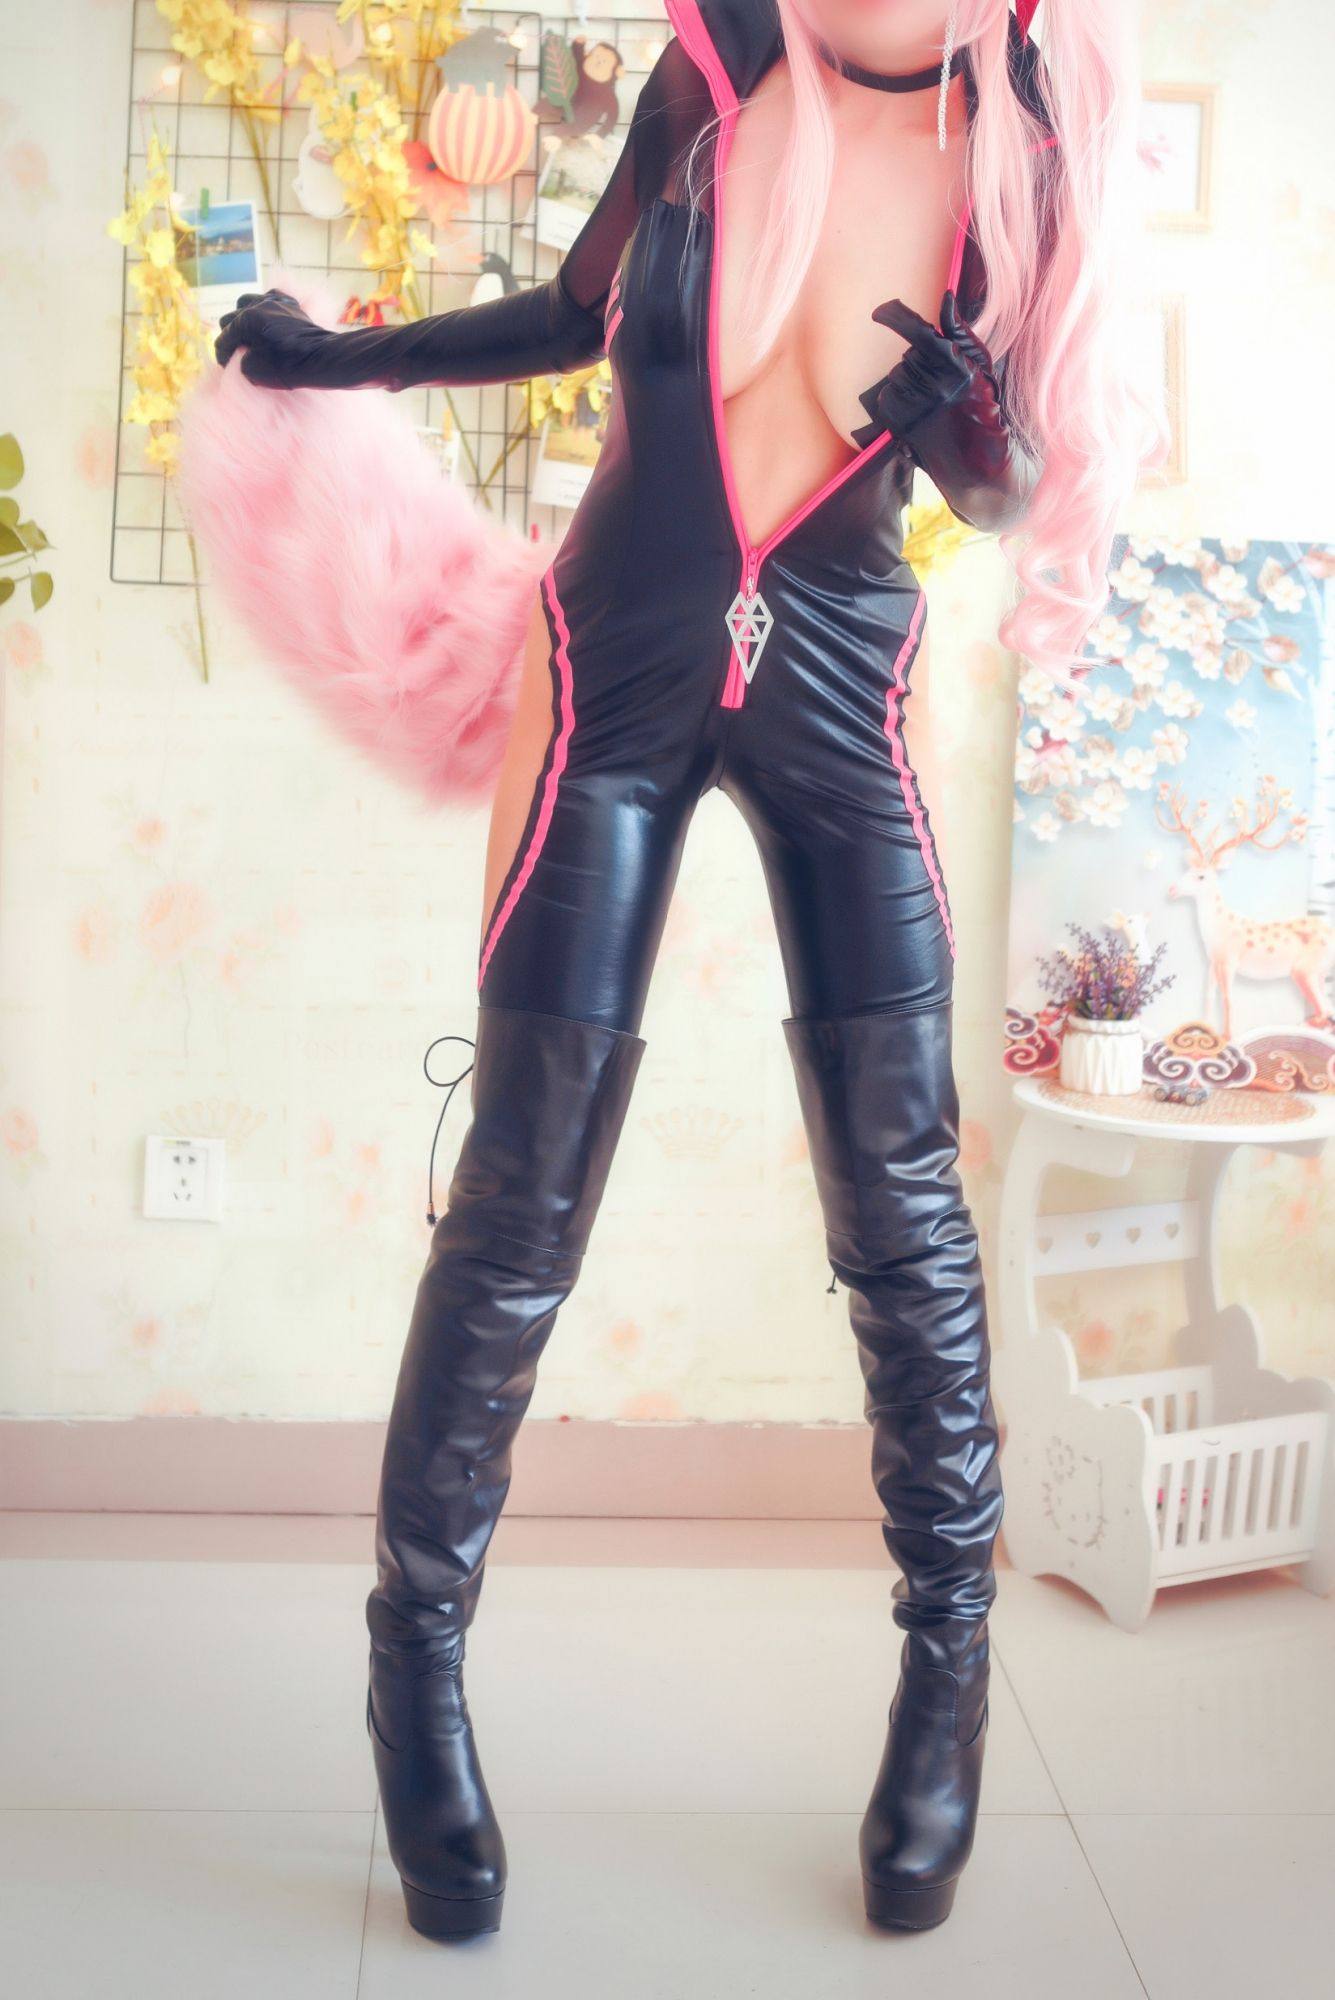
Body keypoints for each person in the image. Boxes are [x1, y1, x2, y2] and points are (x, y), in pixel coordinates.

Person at [214, 0, 1162, 1942]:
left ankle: (945, 1684)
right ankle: (414, 1672)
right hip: (610, 675)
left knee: (901, 1203)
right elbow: (579, 315)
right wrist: (341, 362)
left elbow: (1005, 485)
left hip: (840, 682)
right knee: (517, 1200)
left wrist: (971, 443)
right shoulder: (716, 74)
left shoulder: (1022, 149)